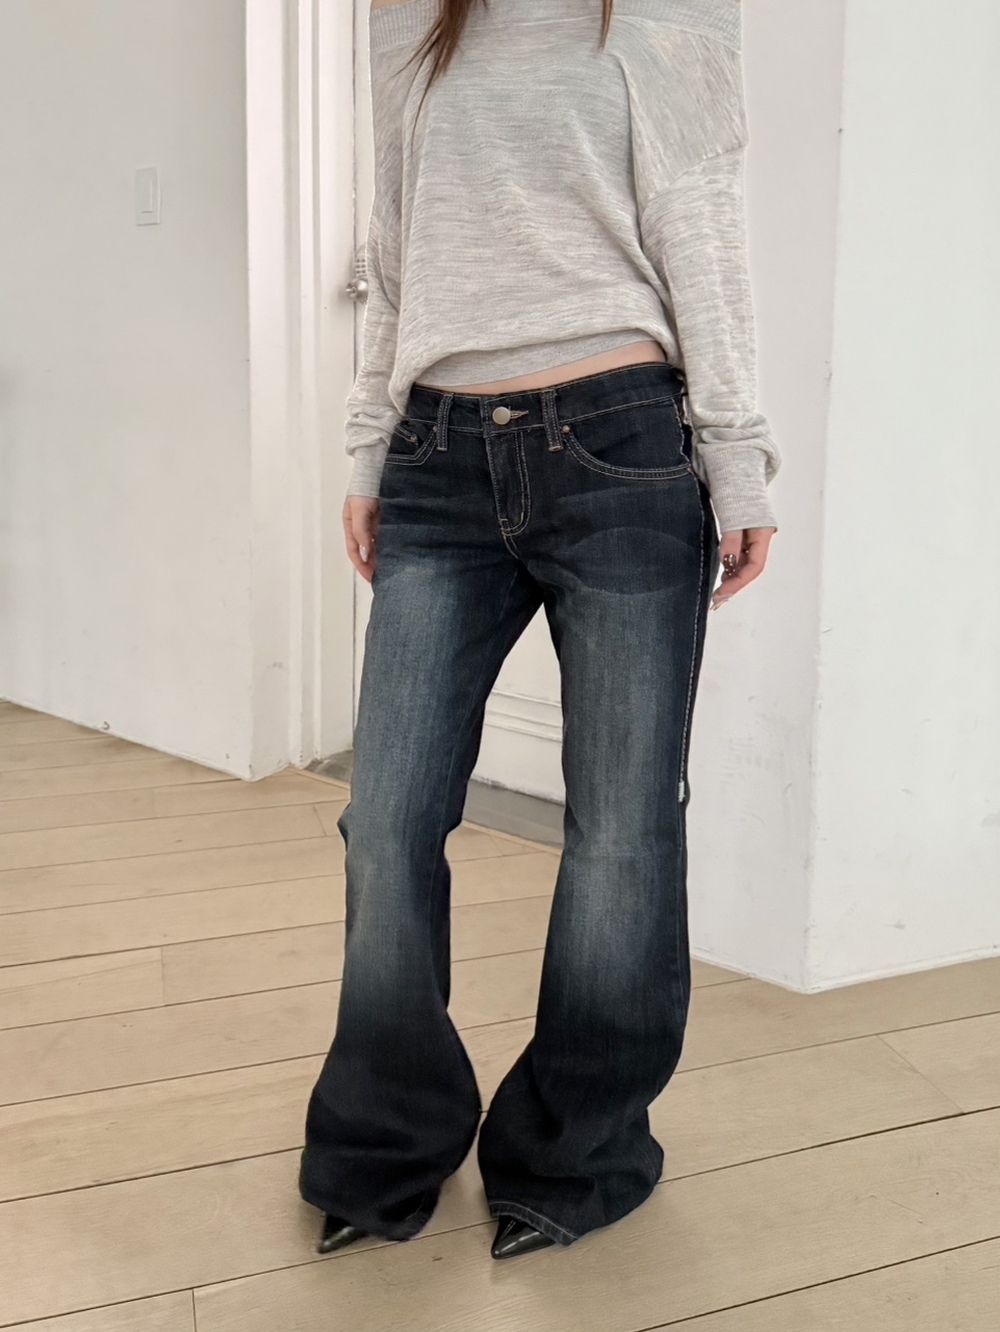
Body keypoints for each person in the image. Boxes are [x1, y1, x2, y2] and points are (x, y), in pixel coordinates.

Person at [299, 0, 780, 1262]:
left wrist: (736, 458)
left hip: (621, 441)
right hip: (437, 450)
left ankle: (578, 1152)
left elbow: (702, 225)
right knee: (386, 819)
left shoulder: (667, 13)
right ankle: (383, 1143)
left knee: (621, 831)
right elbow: (395, 245)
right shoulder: (409, 20)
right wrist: (367, 447)